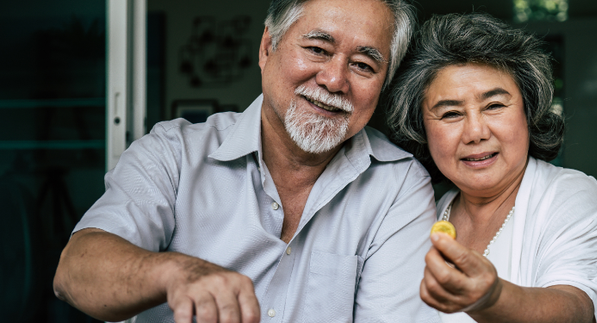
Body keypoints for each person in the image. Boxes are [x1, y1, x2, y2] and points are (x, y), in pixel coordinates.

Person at [52, 0, 442, 322]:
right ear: (267, 48)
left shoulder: (398, 187)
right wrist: (177, 272)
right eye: (318, 50)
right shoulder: (173, 153)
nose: (335, 80)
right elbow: (74, 273)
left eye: (363, 65)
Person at [387, 13, 597, 322]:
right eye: (451, 113)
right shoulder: (424, 214)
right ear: (421, 129)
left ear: (528, 113)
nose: (476, 132)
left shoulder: (569, 195)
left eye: (494, 106)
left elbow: (576, 309)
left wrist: (492, 298)